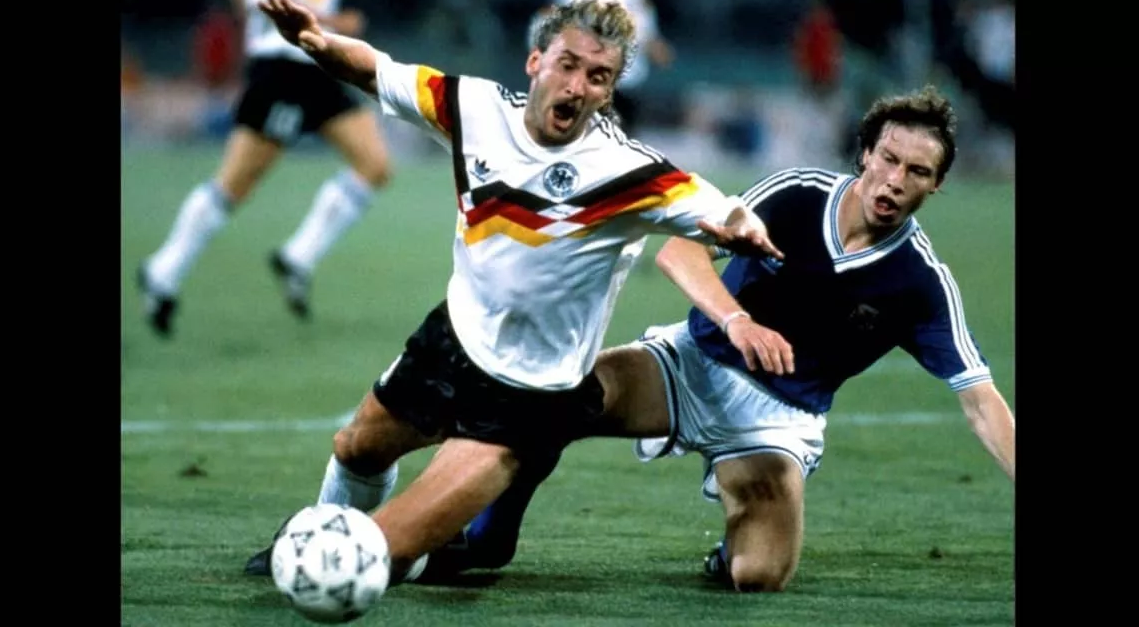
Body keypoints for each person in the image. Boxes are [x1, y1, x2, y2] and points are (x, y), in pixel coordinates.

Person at [241, 0, 783, 585]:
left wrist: (743, 227)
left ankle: (402, 551)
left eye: (597, 77)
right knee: (355, 450)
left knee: (379, 554)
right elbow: (376, 70)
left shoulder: (631, 173)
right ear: (535, 62)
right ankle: (321, 536)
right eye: (568, 65)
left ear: (608, 92)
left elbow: (723, 209)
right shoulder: (472, 108)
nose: (577, 86)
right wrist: (316, 42)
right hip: (452, 341)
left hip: (528, 400)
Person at [411, 85, 1016, 592]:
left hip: (776, 422)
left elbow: (981, 402)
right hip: (690, 363)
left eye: (917, 172)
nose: (894, 180)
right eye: (888, 158)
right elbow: (680, 252)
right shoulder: (797, 194)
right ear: (865, 154)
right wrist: (736, 320)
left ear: (936, 185)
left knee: (760, 576)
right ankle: (487, 539)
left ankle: (729, 555)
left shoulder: (920, 282)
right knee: (551, 400)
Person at [135, 0, 392, 337]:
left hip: (320, 63)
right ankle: (163, 270)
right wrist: (330, 21)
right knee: (235, 183)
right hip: (282, 67)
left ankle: (298, 257)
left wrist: (335, 24)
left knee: (374, 164)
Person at [529, 0, 674, 137]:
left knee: (620, 137)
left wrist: (654, 44)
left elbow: (643, 24)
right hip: (584, 85)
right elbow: (546, 26)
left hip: (624, 83)